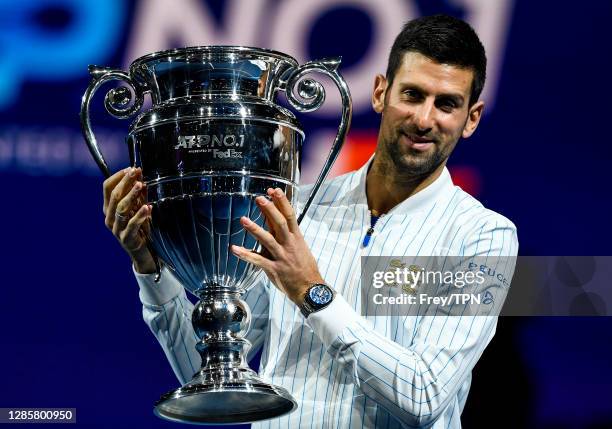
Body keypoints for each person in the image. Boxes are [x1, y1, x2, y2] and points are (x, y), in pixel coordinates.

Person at [102, 14, 518, 429]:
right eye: (412, 94)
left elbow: (423, 395)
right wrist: (150, 268)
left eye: (446, 103)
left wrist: (312, 292)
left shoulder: (483, 238)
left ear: (473, 117)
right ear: (379, 93)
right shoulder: (297, 208)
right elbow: (210, 374)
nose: (425, 119)